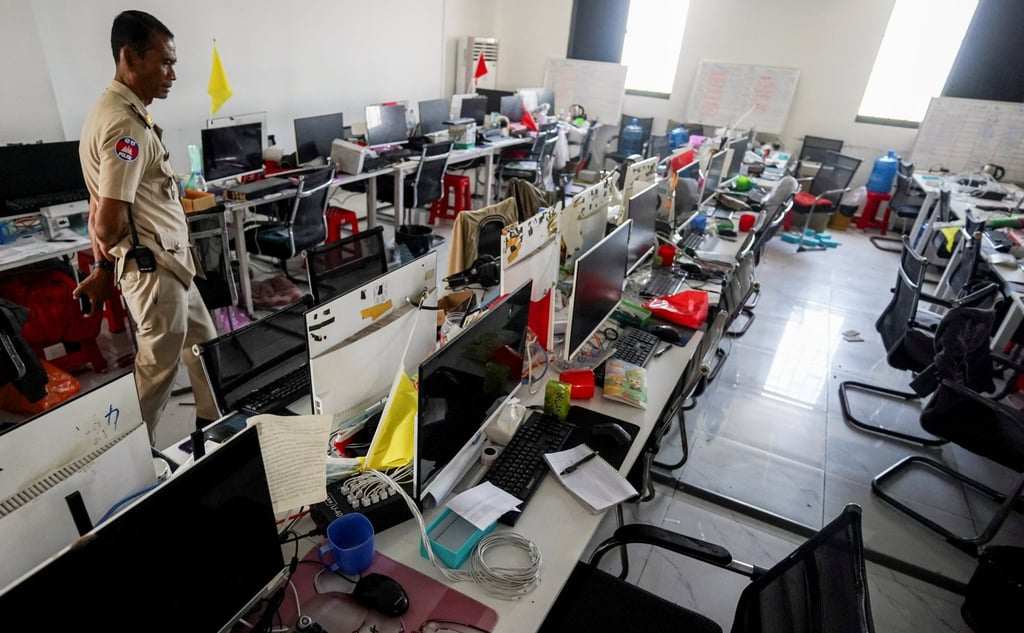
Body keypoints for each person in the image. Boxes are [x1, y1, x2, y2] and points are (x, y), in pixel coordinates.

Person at [75, 10, 218, 442]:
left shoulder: (113, 112)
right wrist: (106, 266)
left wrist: (102, 267)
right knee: (157, 370)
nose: (172, 74)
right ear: (130, 58)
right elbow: (107, 222)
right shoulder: (125, 125)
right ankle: (127, 453)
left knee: (206, 348)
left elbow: (97, 205)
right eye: (165, 62)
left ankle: (214, 429)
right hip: (154, 271)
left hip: (171, 265)